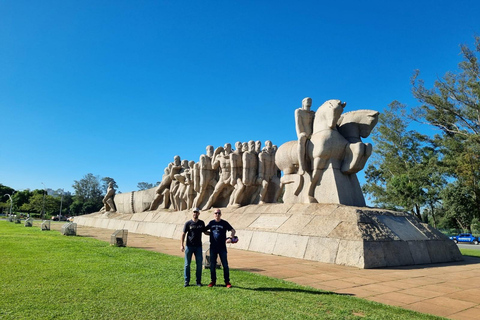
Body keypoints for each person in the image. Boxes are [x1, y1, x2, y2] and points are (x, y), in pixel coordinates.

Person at [204, 208, 236, 288]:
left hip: (222, 248)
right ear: (214, 214)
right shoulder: (211, 223)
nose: (217, 214)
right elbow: (204, 231)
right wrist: (210, 234)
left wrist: (231, 238)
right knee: (212, 265)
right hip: (213, 248)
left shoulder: (224, 223)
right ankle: (213, 281)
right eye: (216, 213)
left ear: (220, 214)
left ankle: (227, 282)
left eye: (219, 213)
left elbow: (233, 230)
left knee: (225, 265)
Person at [181, 208, 207, 287]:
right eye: (194, 212)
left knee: (199, 264)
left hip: (198, 247)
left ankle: (198, 281)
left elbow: (205, 232)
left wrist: (214, 232)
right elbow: (183, 234)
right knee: (187, 264)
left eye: (197, 212)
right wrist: (181, 244)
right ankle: (186, 281)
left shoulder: (201, 223)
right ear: (192, 213)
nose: (195, 213)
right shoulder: (188, 223)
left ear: (199, 214)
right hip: (189, 246)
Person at [295, 97, 315, 175]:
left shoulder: (313, 113)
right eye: (307, 100)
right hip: (303, 132)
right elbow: (298, 123)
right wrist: (300, 134)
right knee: (301, 141)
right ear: (303, 102)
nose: (309, 102)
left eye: (310, 101)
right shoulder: (299, 111)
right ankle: (301, 165)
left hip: (312, 133)